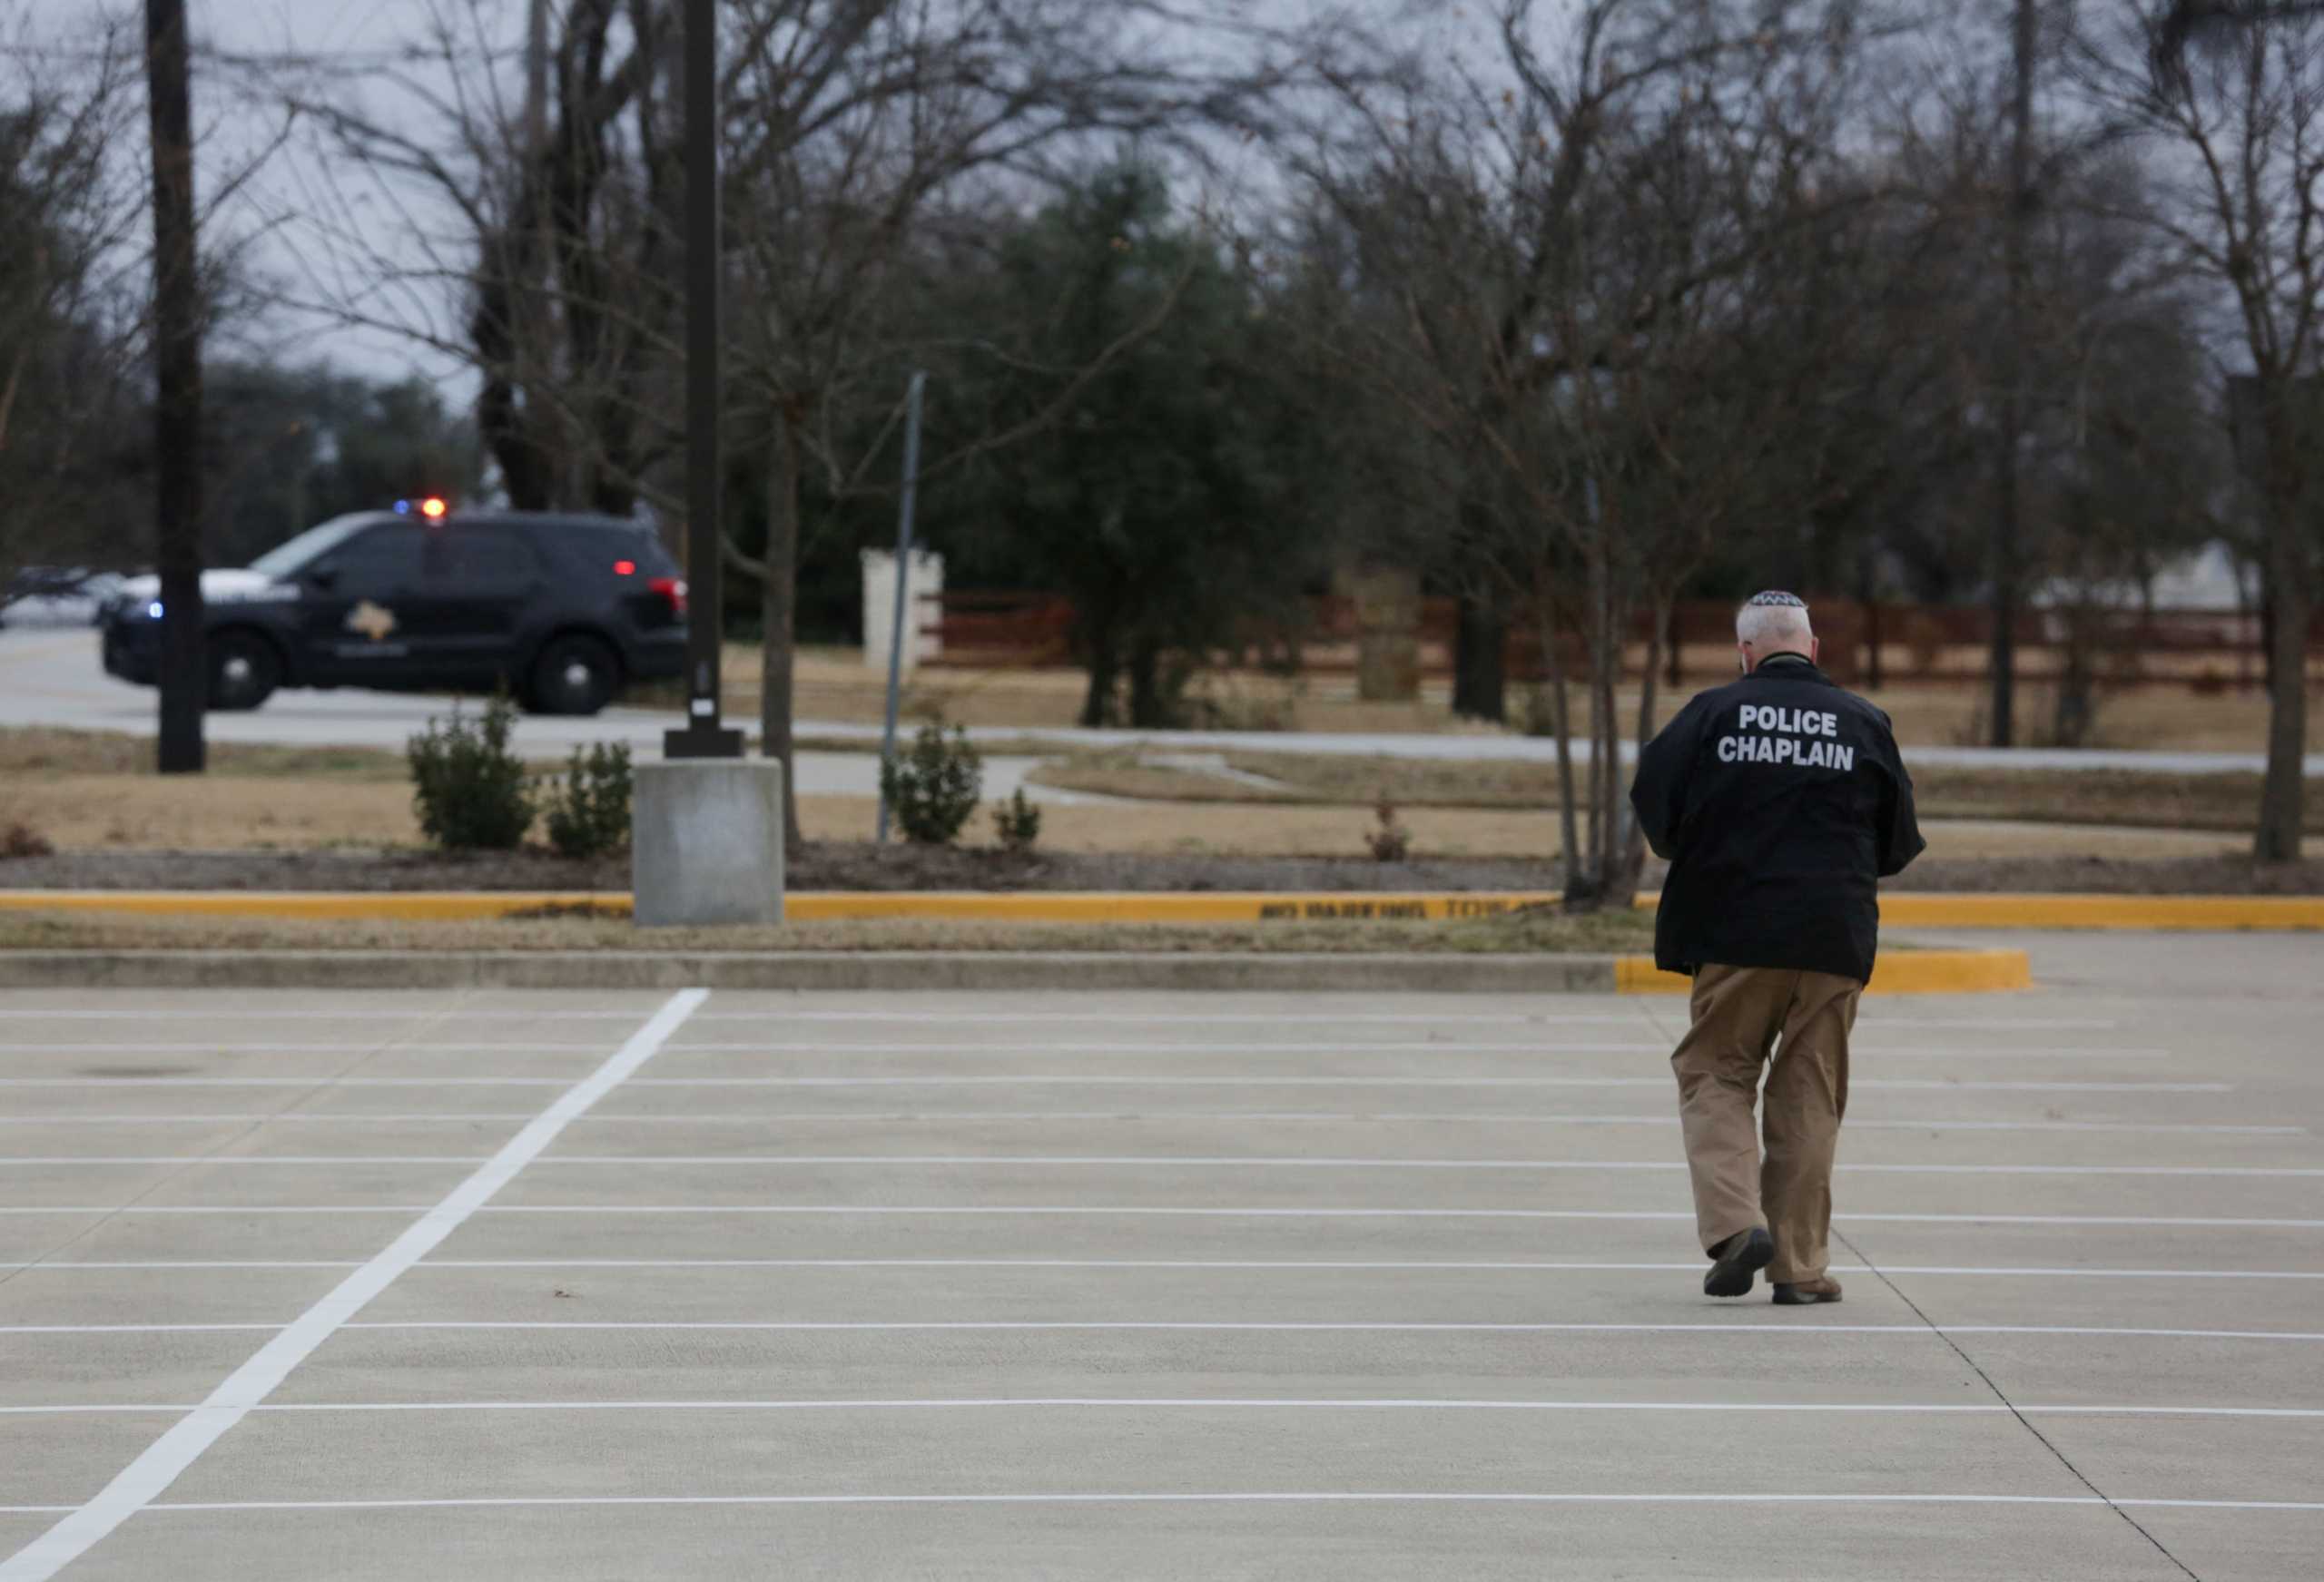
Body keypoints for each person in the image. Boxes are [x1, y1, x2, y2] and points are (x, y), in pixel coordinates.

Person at [1627, 592, 1925, 1304]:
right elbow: (1896, 842)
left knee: (1716, 1072)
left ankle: (1736, 1227)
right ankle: (1798, 1266)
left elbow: (1655, 805)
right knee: (1808, 1093)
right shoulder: (1863, 722)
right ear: (1813, 648)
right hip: (1833, 935)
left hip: (1733, 930)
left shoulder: (1709, 714)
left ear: (1745, 652)